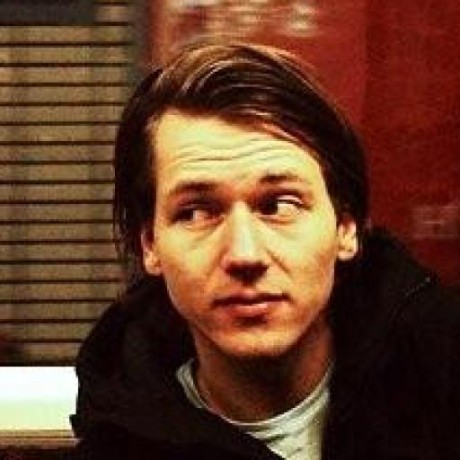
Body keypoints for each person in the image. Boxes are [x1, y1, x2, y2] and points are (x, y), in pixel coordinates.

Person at [70, 42, 460, 459]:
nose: (245, 254)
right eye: (197, 212)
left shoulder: (443, 386)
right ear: (150, 245)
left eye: (278, 206)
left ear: (345, 227)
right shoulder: (120, 443)